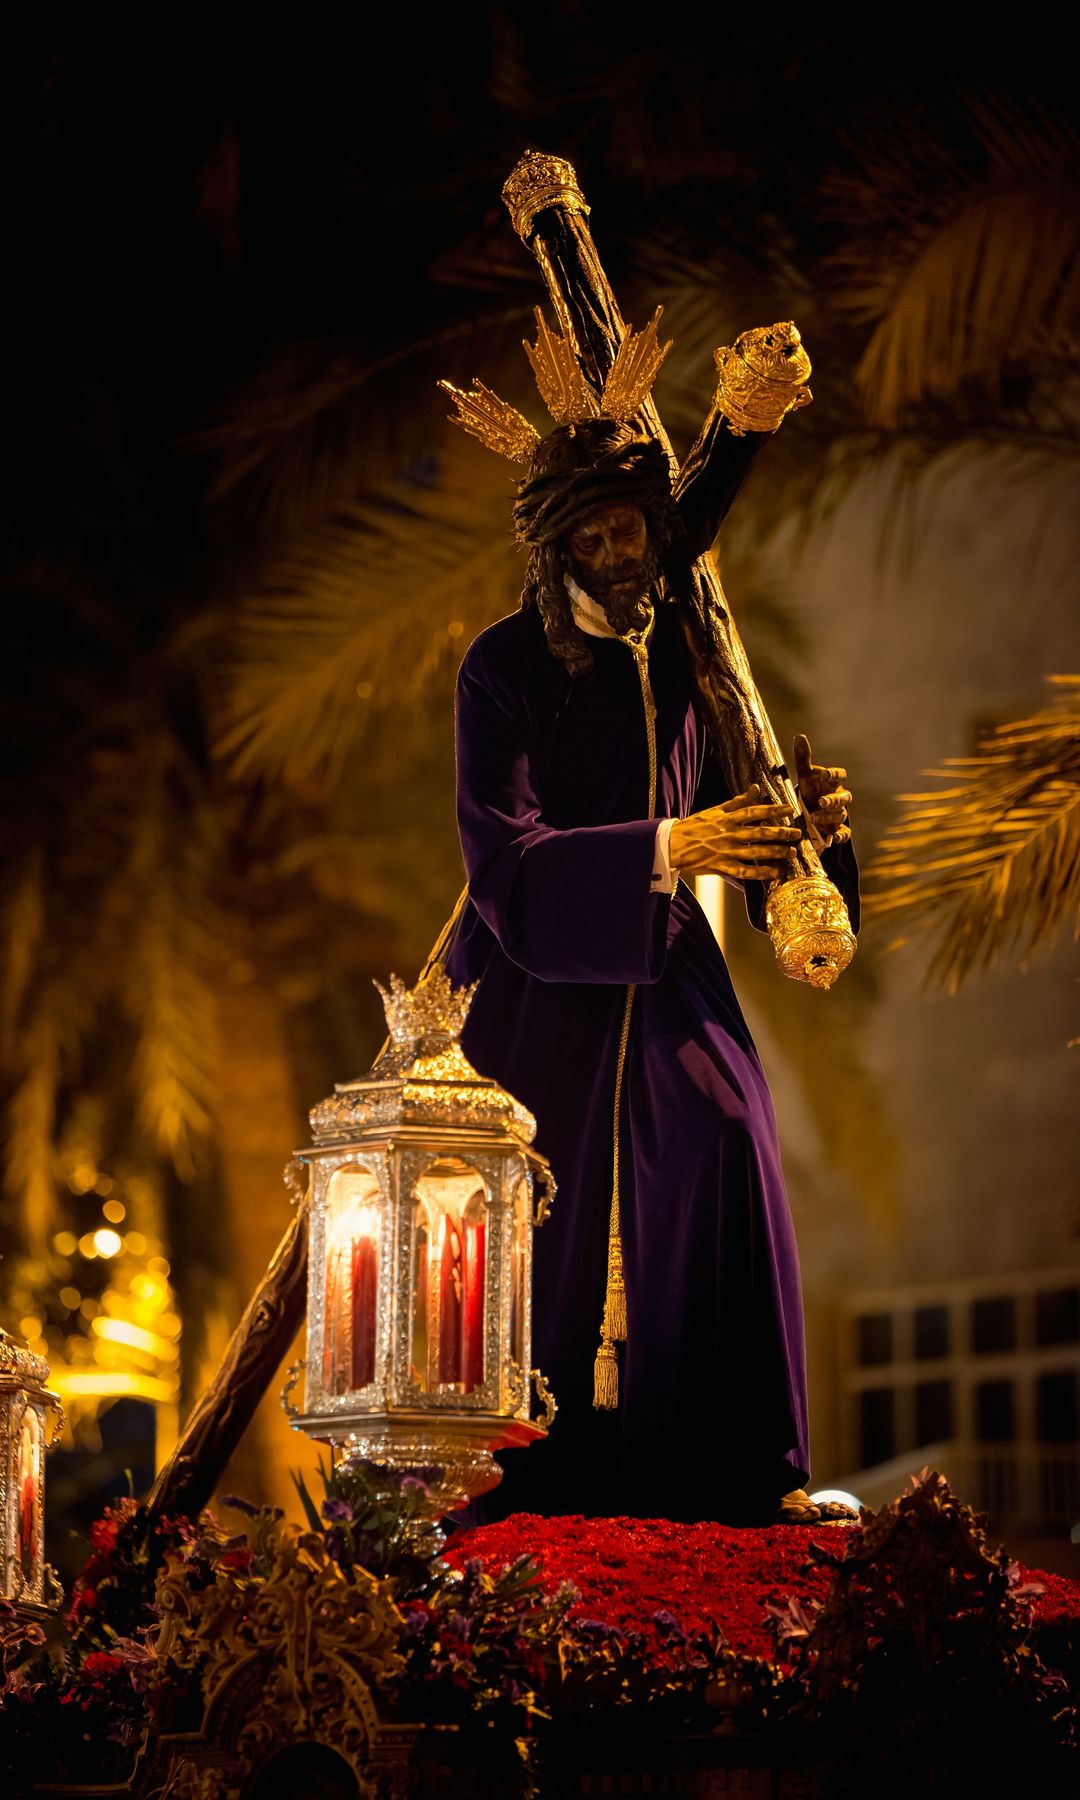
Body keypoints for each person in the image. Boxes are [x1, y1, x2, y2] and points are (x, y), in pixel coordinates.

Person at [443, 415, 859, 1527]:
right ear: (558, 549)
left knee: (725, 1126)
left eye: (632, 532)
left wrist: (807, 836)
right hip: (539, 981)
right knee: (538, 1206)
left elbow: (742, 818)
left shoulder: (684, 655)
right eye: (595, 540)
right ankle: (532, 1488)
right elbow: (504, 856)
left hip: (668, 959)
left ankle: (740, 1476)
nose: (619, 558)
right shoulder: (503, 666)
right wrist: (673, 845)